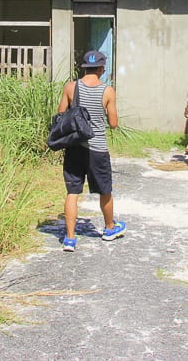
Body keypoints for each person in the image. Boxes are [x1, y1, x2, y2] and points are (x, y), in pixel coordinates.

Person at [58, 50, 126, 252]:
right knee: (105, 190)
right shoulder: (108, 91)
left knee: (72, 192)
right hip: (97, 149)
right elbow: (113, 123)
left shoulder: (71, 87)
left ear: (84, 67)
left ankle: (70, 239)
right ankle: (109, 228)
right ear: (102, 69)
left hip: (74, 148)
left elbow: (61, 114)